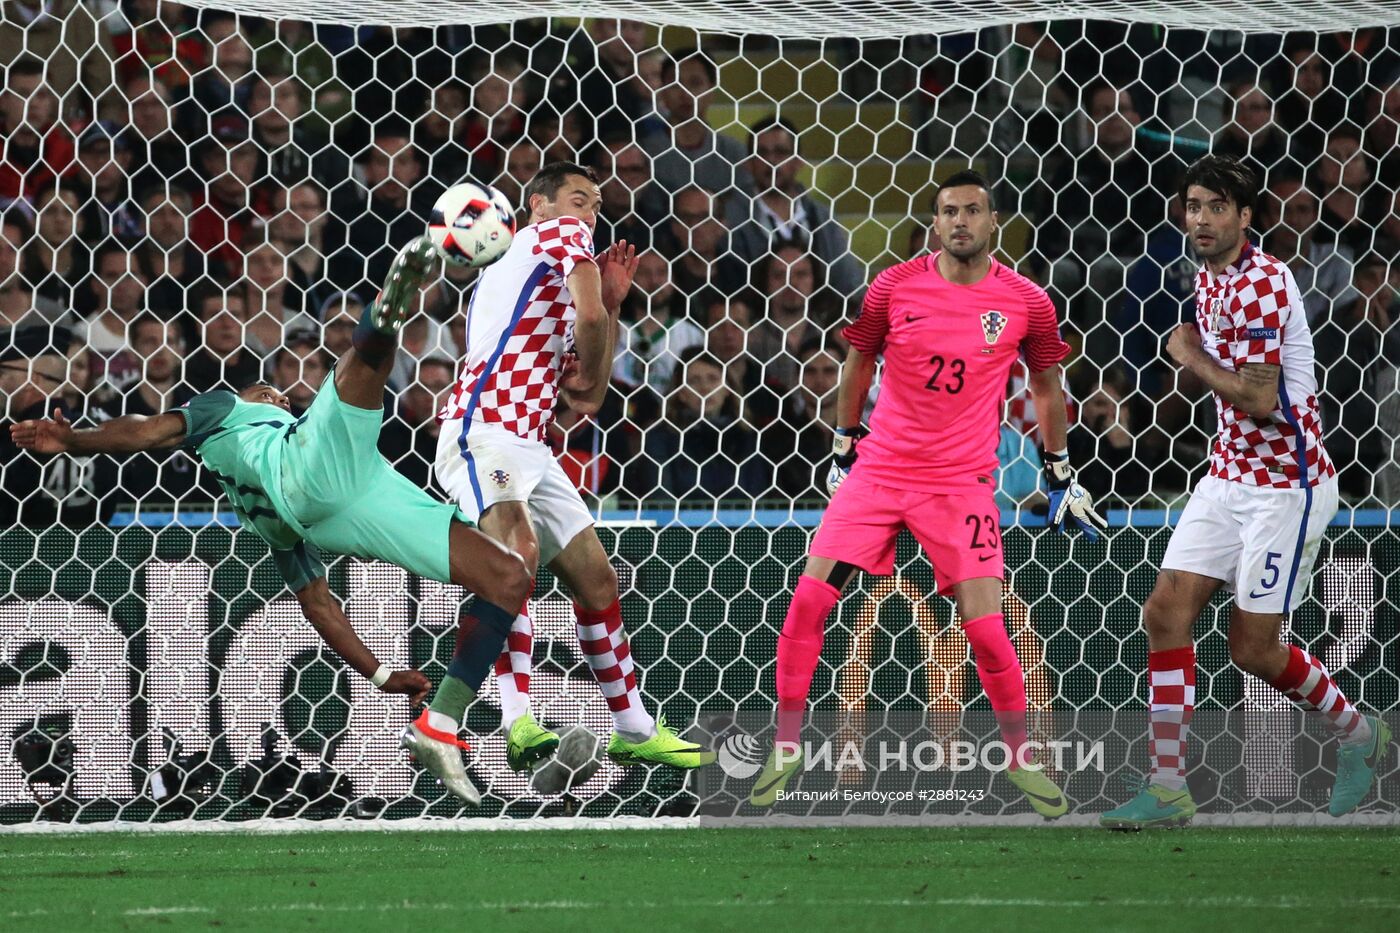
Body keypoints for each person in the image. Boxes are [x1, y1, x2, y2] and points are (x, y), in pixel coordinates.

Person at [11, 237, 534, 806]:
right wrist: (77, 440)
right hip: (308, 464)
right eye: (267, 389)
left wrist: (383, 677)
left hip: (351, 496)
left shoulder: (261, 513)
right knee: (362, 364)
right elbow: (148, 429)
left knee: (508, 577)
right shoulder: (227, 412)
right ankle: (393, 298)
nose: (276, 392)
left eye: (280, 393)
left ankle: (440, 725)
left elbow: (319, 606)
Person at [752, 170, 1099, 818]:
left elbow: (1048, 387)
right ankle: (787, 744)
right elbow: (858, 359)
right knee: (807, 600)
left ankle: (1022, 759)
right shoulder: (894, 285)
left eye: (972, 210)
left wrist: (1058, 468)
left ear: (993, 221)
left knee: (989, 631)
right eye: (948, 211)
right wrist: (844, 440)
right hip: (880, 469)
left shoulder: (1025, 301)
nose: (960, 221)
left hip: (961, 482)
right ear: (934, 223)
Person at [1100, 155, 1385, 830]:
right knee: (1164, 611)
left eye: (1215, 207)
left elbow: (1259, 397)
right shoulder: (1208, 278)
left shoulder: (1264, 283)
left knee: (1253, 649)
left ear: (1246, 217)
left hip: (1288, 486)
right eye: (1193, 205)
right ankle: (1167, 785)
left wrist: (1190, 356)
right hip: (1228, 477)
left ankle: (1360, 735)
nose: (1199, 218)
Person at [435, 161, 713, 779]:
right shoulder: (555, 236)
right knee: (516, 559)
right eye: (577, 200)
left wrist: (611, 305)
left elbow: (589, 378)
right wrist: (594, 343)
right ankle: (515, 718)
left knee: (596, 580)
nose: (588, 215)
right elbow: (588, 368)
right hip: (484, 429)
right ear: (535, 206)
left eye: (595, 205)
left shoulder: (531, 277)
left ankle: (634, 728)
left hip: (528, 443)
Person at [725, 116, 863, 297]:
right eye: (762, 153)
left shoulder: (822, 217)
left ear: (799, 161)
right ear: (748, 164)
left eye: (781, 152)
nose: (771, 161)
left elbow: (848, 283)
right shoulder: (730, 217)